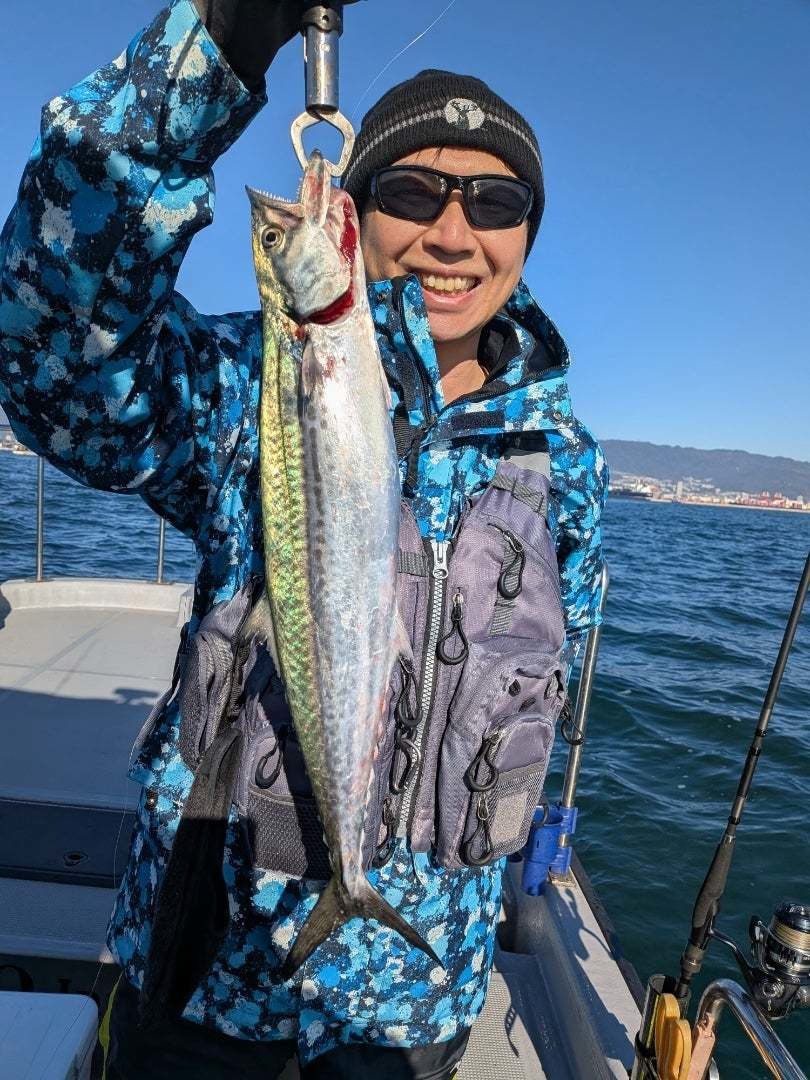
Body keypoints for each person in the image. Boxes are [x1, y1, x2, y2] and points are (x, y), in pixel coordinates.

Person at [0, 1, 608, 1077]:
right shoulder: (251, 381)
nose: (453, 234)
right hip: (211, 979)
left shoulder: (566, 464)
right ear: (358, 215)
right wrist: (212, 54)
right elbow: (52, 353)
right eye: (412, 193)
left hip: (414, 1003)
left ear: (527, 233)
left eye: (496, 201)